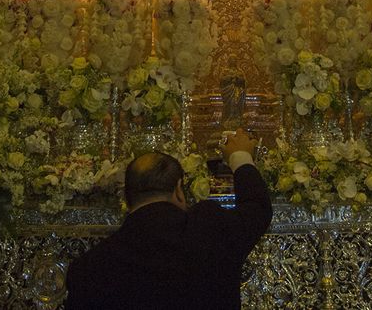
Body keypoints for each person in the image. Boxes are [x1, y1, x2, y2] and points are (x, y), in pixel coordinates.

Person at [64, 128, 272, 310]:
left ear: (126, 199)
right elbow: (257, 207)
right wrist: (240, 155)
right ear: (179, 191)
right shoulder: (210, 229)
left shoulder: (87, 269)